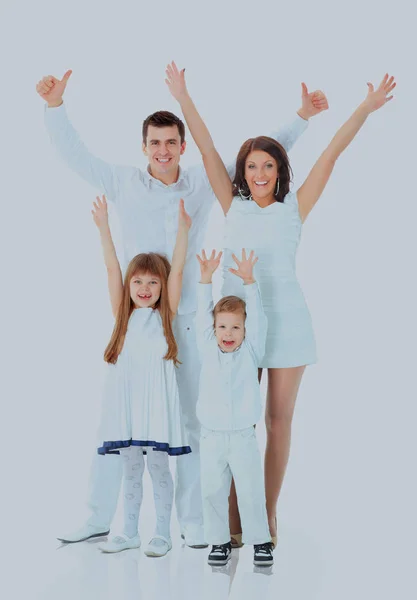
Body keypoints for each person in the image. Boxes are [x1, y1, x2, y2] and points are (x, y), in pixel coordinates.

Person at [36, 67, 325, 547]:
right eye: (155, 143)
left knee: (195, 419)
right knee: (116, 419)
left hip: (189, 319)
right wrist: (55, 107)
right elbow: (75, 155)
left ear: (182, 146)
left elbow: (257, 156)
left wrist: (302, 117)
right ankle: (97, 515)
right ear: (144, 146)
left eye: (172, 142)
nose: (164, 151)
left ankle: (194, 521)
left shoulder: (197, 184)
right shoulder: (124, 181)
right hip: (134, 321)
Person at [165, 62, 396, 548]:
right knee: (233, 420)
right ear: (243, 173)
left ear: (280, 169)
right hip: (236, 326)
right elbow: (206, 149)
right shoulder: (234, 205)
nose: (260, 172)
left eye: (269, 164)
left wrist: (366, 108)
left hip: (287, 323)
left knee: (276, 421)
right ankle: (233, 514)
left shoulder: (295, 207)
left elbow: (331, 154)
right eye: (252, 165)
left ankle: (266, 512)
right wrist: (183, 97)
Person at [86, 195, 191, 556]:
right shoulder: (123, 316)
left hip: (156, 408)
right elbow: (112, 268)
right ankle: (128, 530)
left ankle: (162, 531)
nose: (145, 288)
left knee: (159, 470)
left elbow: (177, 270)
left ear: (162, 288)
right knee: (131, 471)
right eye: (139, 282)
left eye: (152, 283)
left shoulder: (166, 317)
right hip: (128, 405)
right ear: (130, 287)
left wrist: (183, 232)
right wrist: (103, 228)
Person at [196, 248, 274, 567]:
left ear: (245, 330)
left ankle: (260, 541)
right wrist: (205, 280)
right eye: (223, 327)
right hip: (212, 436)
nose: (228, 334)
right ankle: (219, 541)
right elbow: (202, 314)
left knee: (250, 490)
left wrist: (250, 282)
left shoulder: (251, 351)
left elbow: (258, 320)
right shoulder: (207, 347)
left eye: (235, 328)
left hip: (242, 436)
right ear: (214, 330)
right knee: (212, 491)